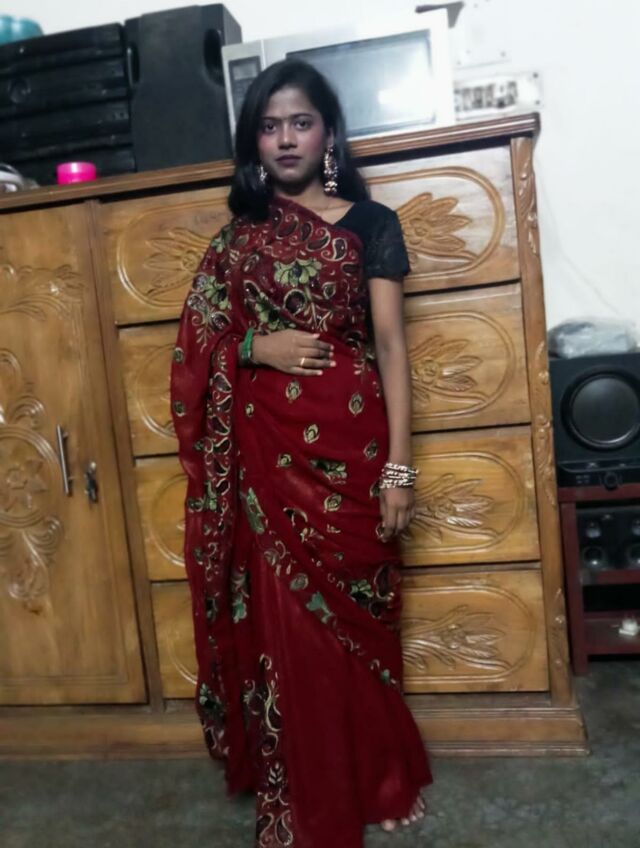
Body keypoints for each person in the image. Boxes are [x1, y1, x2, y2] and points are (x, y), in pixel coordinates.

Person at [170, 58, 433, 848]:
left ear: (328, 134)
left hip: (353, 453)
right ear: (254, 141)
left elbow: (391, 348)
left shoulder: (370, 224)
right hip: (268, 463)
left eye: (300, 122)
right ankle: (309, 786)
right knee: (293, 630)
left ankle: (381, 777)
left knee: (361, 626)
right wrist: (258, 346)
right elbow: (197, 345)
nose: (285, 138)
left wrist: (398, 470)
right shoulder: (236, 241)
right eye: (269, 125)